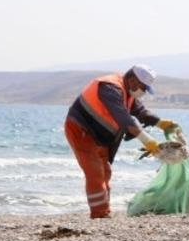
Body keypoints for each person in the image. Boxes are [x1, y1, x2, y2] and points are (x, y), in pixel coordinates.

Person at [64, 65, 179, 218]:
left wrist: (161, 123)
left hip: (99, 135)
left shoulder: (127, 92)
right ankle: (100, 214)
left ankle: (103, 211)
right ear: (132, 80)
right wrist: (148, 142)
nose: (143, 92)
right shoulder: (109, 88)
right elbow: (124, 119)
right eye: (143, 87)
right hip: (81, 130)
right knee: (95, 173)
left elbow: (141, 112)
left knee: (105, 172)